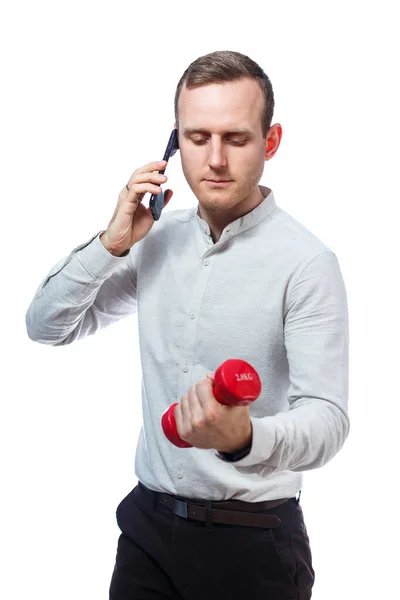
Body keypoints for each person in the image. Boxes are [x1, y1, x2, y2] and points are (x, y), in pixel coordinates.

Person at [25, 50, 350, 600]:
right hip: (147, 533)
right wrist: (111, 244)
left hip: (254, 547)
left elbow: (328, 421)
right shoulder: (154, 241)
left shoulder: (307, 263)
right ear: (175, 144)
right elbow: (46, 325)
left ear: (270, 143)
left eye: (237, 138)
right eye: (197, 138)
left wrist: (247, 438)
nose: (215, 159)